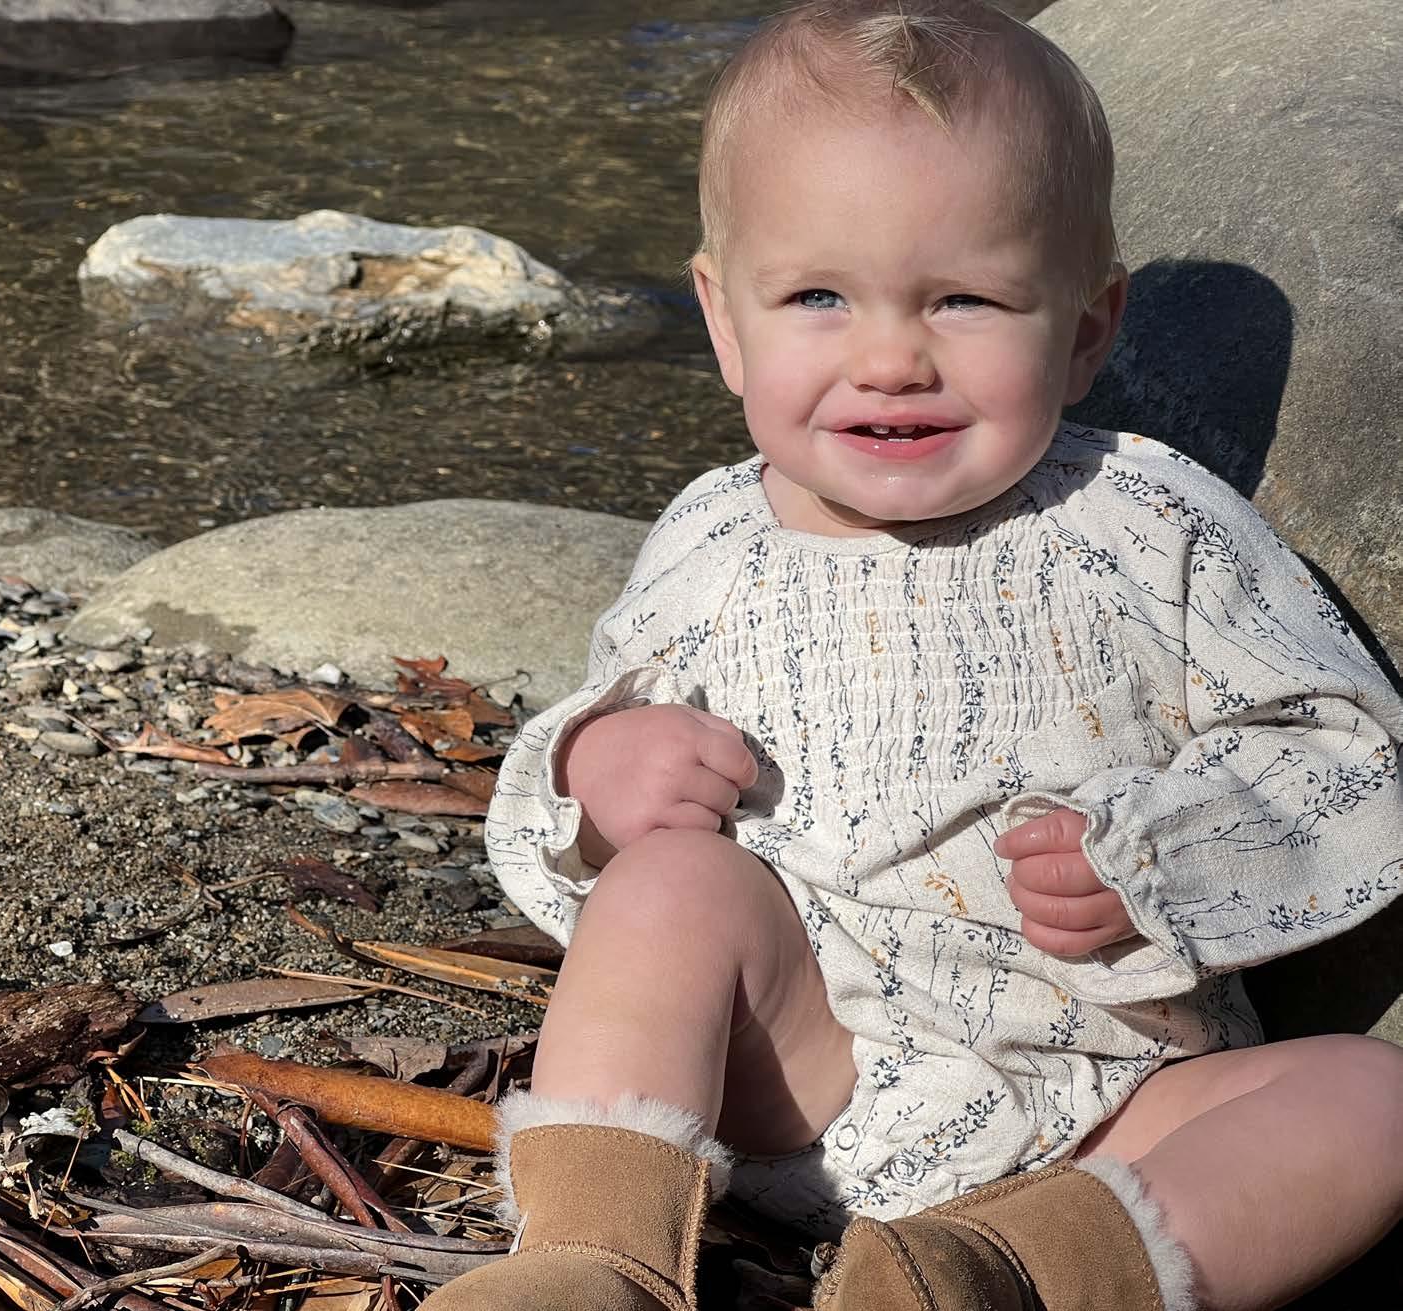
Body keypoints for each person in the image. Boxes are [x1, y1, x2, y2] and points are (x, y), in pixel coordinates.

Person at [424, 2, 1403, 1309]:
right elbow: (590, 769)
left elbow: (1345, 749)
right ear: (725, 321)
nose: (891, 358)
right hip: (803, 1071)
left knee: (1372, 1098)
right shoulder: (713, 541)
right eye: (818, 298)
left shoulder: (1146, 522)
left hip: (1116, 1098)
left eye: (964, 300)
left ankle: (1000, 1278)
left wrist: (1167, 855)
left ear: (1087, 327)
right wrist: (597, 772)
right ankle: (591, 1255)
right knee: (667, 890)